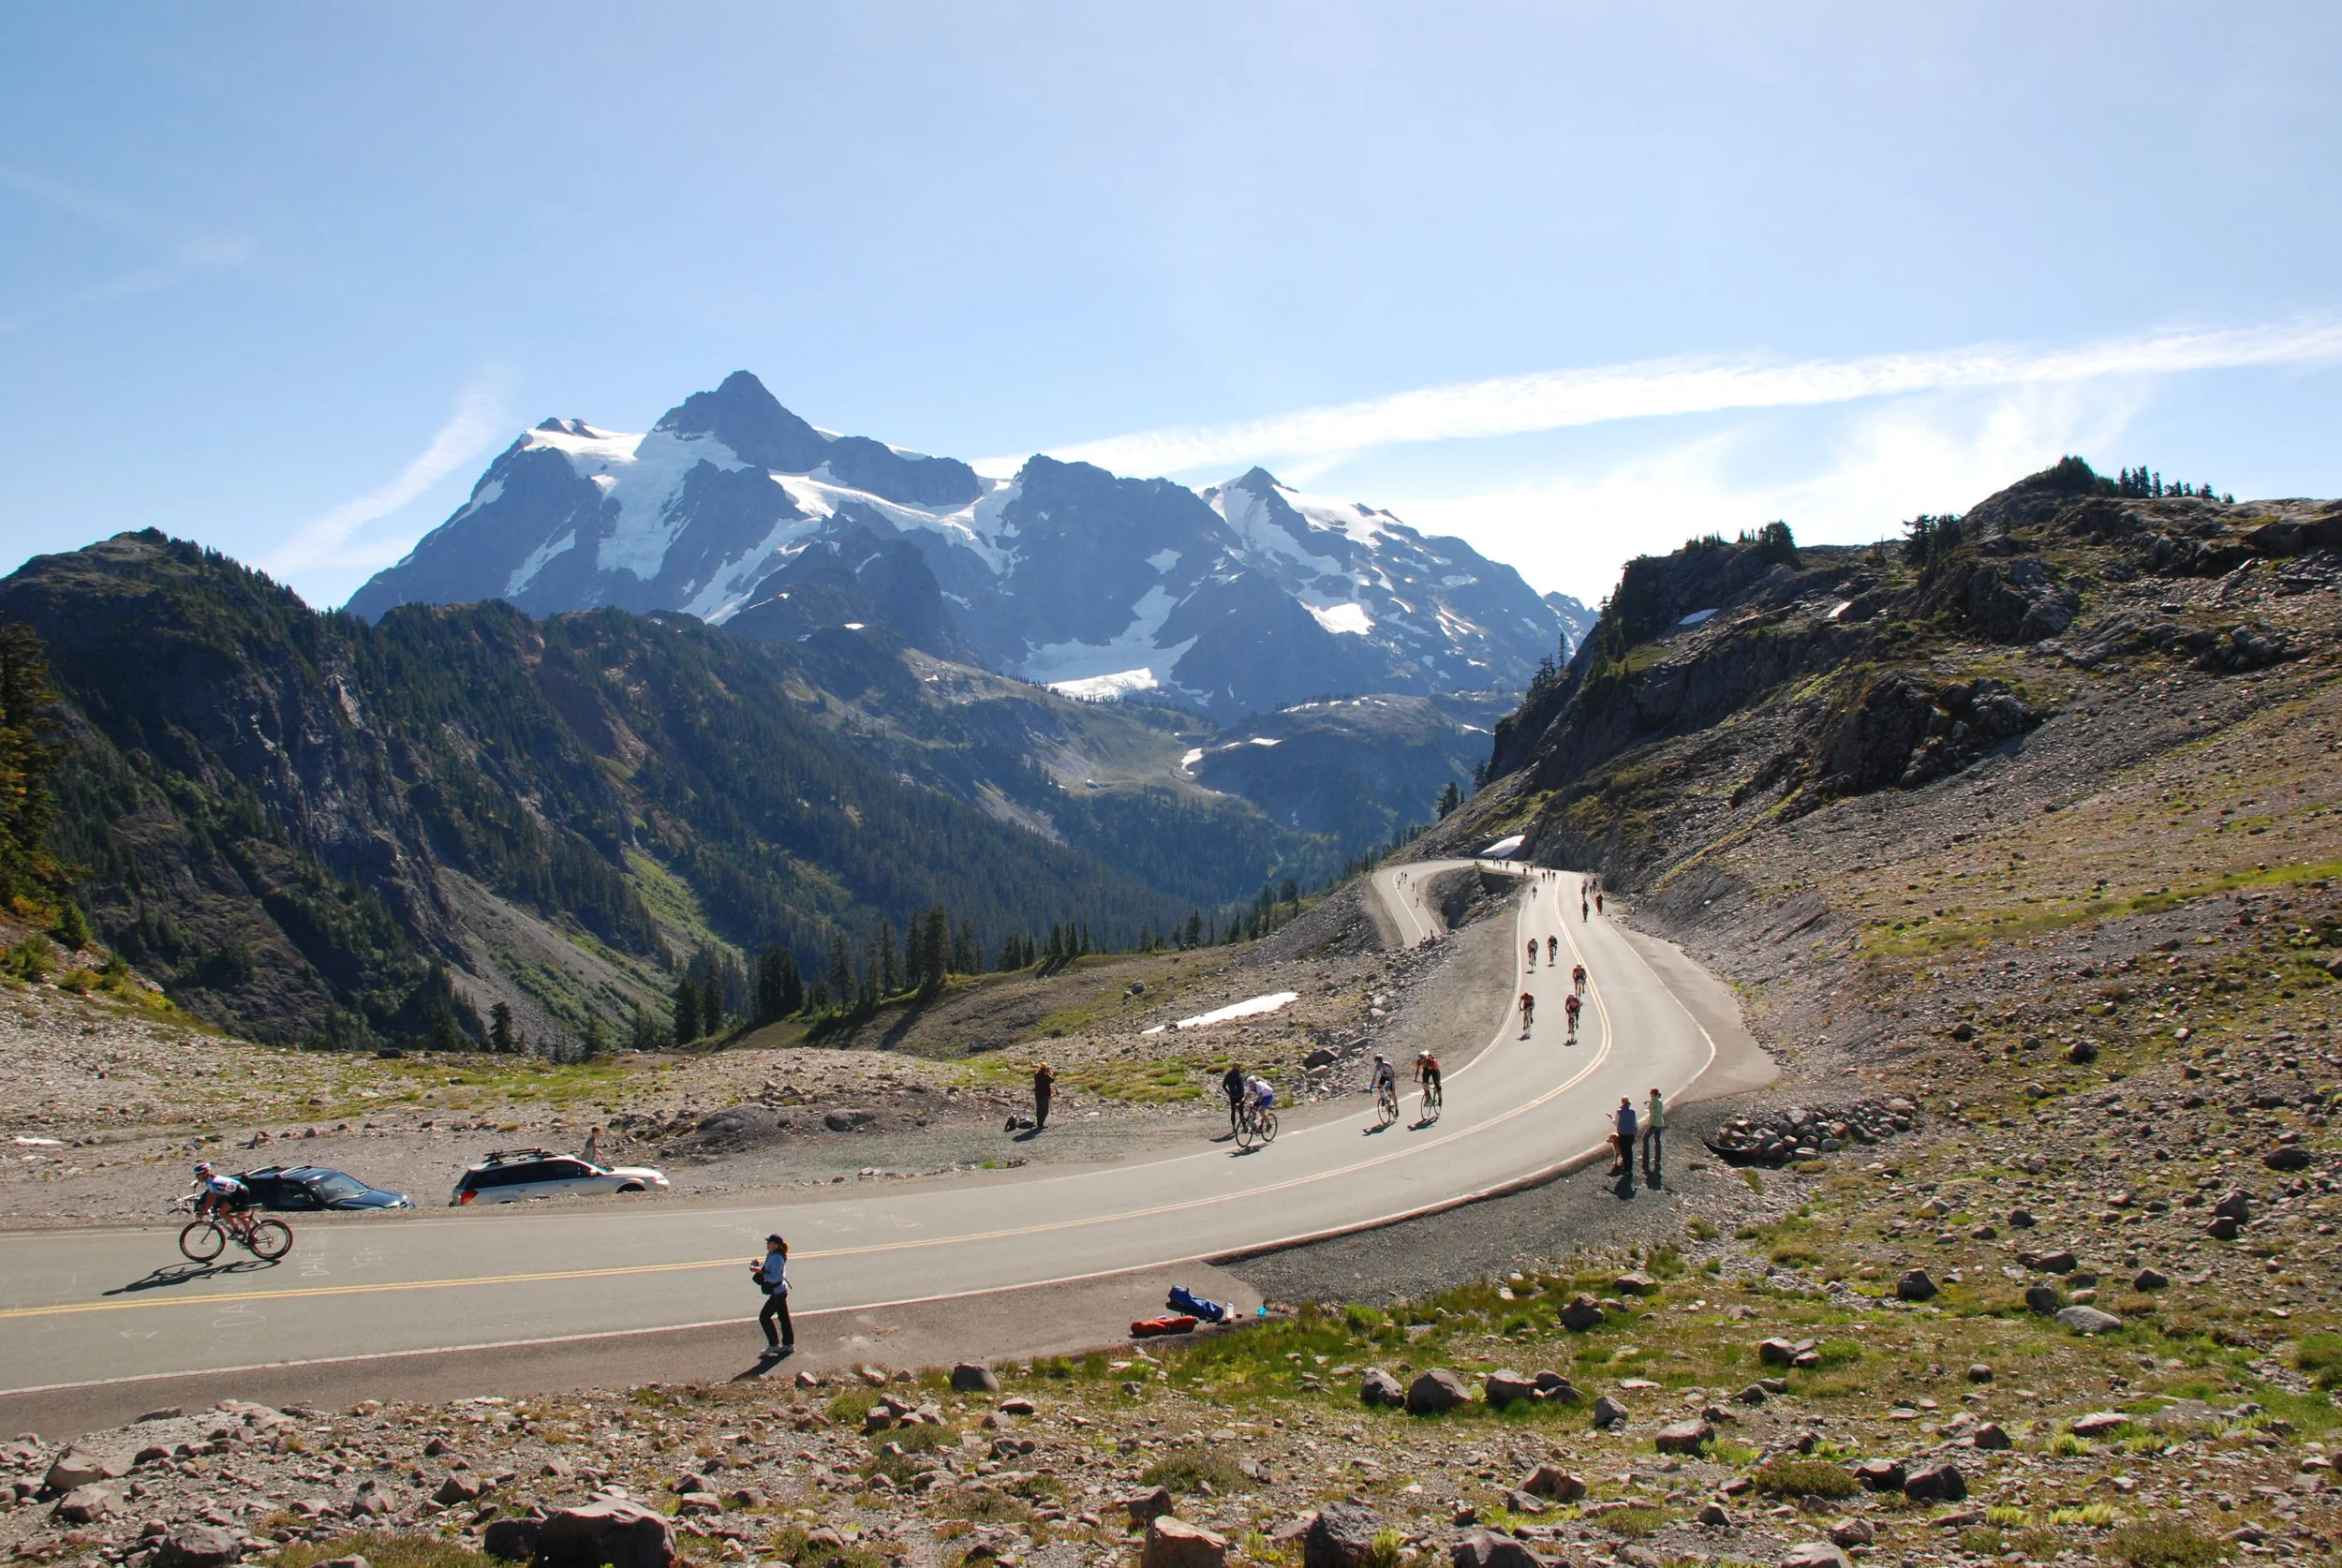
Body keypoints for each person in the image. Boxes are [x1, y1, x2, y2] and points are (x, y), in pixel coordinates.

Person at [750, 1234, 794, 1355]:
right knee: (783, 1318)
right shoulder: (772, 1254)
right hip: (780, 1291)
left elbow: (774, 1278)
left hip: (778, 1292)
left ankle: (773, 1344)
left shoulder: (777, 1258)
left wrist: (759, 1271)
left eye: (770, 1243)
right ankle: (788, 1344)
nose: (767, 1244)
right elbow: (768, 1269)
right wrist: (759, 1266)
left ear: (776, 1245)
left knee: (764, 1317)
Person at [1641, 1087, 1666, 1182]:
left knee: (1645, 1139)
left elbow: (1652, 1115)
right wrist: (1648, 1101)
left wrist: (1648, 1126)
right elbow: (1654, 1102)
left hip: (1654, 1124)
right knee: (1657, 1140)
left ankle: (1645, 1157)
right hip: (1660, 1123)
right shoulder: (1659, 1101)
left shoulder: (1652, 1103)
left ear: (1652, 1094)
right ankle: (1657, 1158)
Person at [1609, 1096, 1638, 1177]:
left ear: (1622, 1102)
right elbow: (1635, 1124)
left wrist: (1611, 1117)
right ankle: (1629, 1168)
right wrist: (1636, 1134)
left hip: (1623, 1134)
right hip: (1631, 1134)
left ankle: (1625, 1168)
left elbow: (1615, 1123)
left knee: (1624, 1152)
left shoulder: (1619, 1111)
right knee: (1629, 1151)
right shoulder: (1633, 1111)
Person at [1222, 1063, 1246, 1137]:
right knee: (1241, 1111)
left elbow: (1224, 1086)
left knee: (1233, 1111)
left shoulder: (1228, 1075)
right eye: (1239, 1066)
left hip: (1233, 1096)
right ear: (1236, 1067)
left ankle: (1234, 1127)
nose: (1240, 1068)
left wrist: (1229, 1093)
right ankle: (1244, 1127)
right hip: (1239, 1096)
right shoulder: (1239, 1075)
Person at [1032, 1062, 1055, 1132]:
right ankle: (1041, 1124)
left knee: (1039, 1109)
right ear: (1046, 1068)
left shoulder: (1036, 1075)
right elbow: (1052, 1080)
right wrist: (1050, 1071)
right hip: (1045, 1095)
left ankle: (1039, 1123)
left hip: (1038, 1095)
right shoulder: (1046, 1075)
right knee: (1045, 1110)